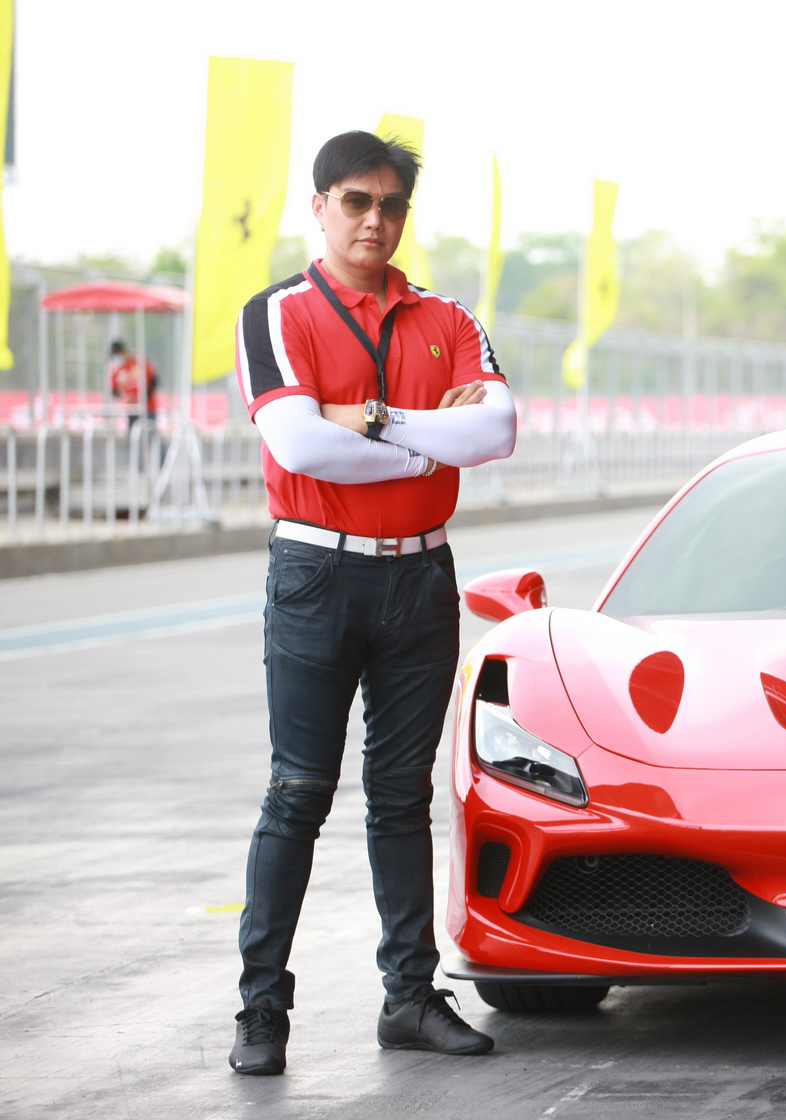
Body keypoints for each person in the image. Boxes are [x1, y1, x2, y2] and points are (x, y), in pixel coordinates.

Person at [227, 131, 517, 1076]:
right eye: (355, 202)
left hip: (421, 577)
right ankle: (261, 1010)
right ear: (319, 207)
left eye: (391, 205)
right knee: (297, 794)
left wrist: (383, 421)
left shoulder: (447, 316)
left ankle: (408, 998)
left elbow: (500, 430)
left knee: (401, 800)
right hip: (317, 573)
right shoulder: (276, 313)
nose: (375, 221)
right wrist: (439, 440)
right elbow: (302, 448)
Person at [107, 339, 158, 427]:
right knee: (133, 435)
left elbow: (154, 382)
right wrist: (125, 397)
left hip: (148, 408)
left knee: (149, 434)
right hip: (131, 410)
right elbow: (114, 390)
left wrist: (142, 398)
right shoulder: (117, 370)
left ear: (123, 351)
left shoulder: (140, 362)